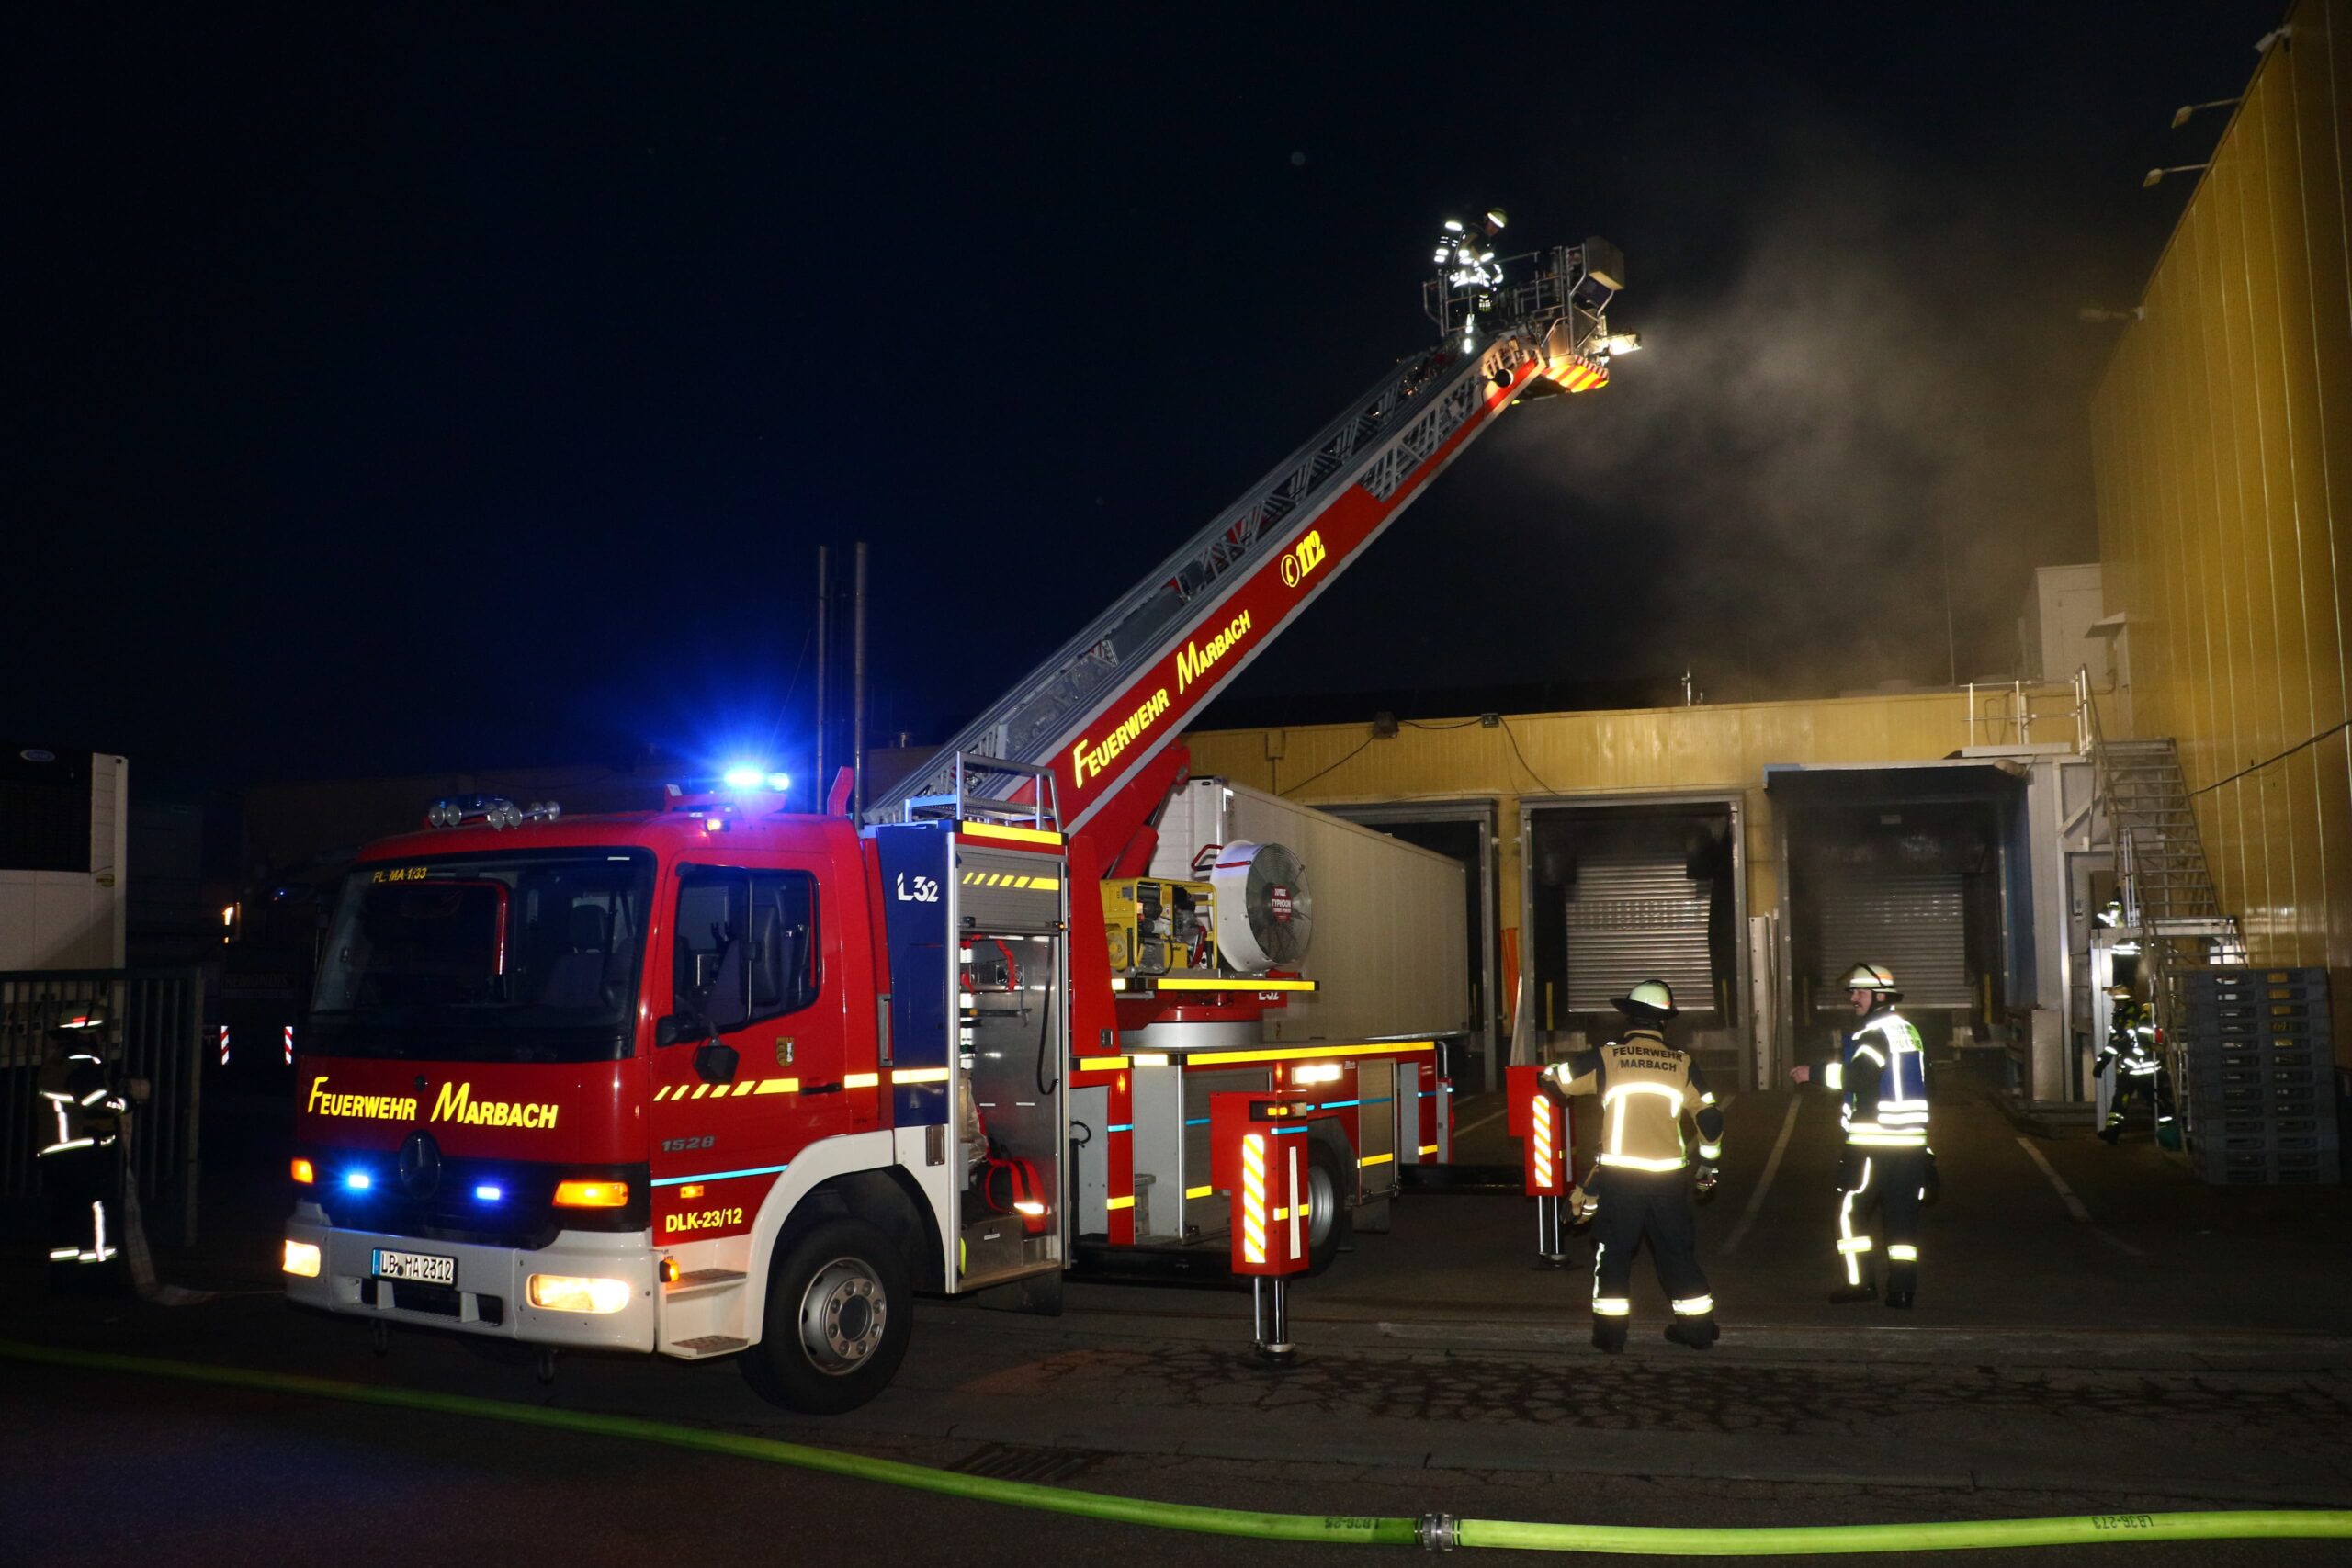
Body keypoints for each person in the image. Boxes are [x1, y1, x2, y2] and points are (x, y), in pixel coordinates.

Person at [1539, 978, 1725, 1353]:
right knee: (1676, 1253)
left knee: (1614, 1253)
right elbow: (1710, 1118)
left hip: (1621, 1177)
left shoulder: (1607, 1057)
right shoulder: (1682, 1062)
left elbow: (1554, 1080)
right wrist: (1708, 1165)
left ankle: (1610, 1337)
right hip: (1669, 1178)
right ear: (1664, 1022)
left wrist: (1552, 1072)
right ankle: (1698, 1330)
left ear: (1628, 1018)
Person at [1790, 963, 1935, 1309]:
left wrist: (1815, 1072)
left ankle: (1860, 1284)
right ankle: (1901, 1292)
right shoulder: (1908, 1031)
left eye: (1860, 993)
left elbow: (1861, 1077)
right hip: (1911, 1143)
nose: (1853, 999)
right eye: (1852, 992)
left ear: (1880, 996)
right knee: (1902, 1221)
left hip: (1875, 1141)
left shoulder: (1874, 1034)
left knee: (1850, 1212)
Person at [36, 1000, 131, 1296]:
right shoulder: (83, 1063)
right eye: (100, 1033)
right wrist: (127, 1101)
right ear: (88, 1034)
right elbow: (98, 1104)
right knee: (96, 1215)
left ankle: (64, 1282)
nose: (103, 1039)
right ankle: (100, 1280)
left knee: (65, 1218)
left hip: (57, 1155)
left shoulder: (56, 1062)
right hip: (82, 1154)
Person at [2095, 987, 2175, 1144]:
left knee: (2156, 1102)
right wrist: (2102, 1061)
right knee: (2119, 1100)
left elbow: (2143, 1046)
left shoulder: (2140, 1017)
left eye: (2118, 1003)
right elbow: (2114, 1044)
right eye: (2116, 1003)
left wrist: (2128, 1063)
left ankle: (2170, 1132)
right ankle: (2112, 1133)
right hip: (2128, 1069)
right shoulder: (2119, 1018)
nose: (2116, 1006)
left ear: (2126, 1002)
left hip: (2145, 1070)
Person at [1433, 207, 1510, 347]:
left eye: (1497, 228)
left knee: (1483, 314)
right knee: (1474, 317)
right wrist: (1496, 275)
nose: (1494, 230)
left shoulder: (1479, 237)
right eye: (1492, 225)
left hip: (1478, 287)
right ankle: (1472, 343)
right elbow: (1482, 257)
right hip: (1469, 286)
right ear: (1485, 221)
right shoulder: (1476, 236)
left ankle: (1480, 337)